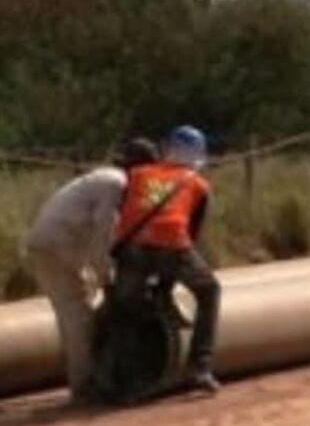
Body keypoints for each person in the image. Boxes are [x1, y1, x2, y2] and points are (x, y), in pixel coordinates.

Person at [25, 138, 159, 401]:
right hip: (58, 244)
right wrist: (105, 274)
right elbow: (103, 230)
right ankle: (85, 387)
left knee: (72, 312)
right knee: (78, 315)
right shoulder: (115, 184)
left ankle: (84, 379)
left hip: (49, 243)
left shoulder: (105, 178)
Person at [112, 125, 221, 393]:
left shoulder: (138, 174)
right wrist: (166, 284)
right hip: (172, 246)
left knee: (124, 310)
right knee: (209, 291)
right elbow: (191, 237)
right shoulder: (198, 184)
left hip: (132, 248)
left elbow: (124, 210)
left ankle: (120, 379)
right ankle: (200, 366)